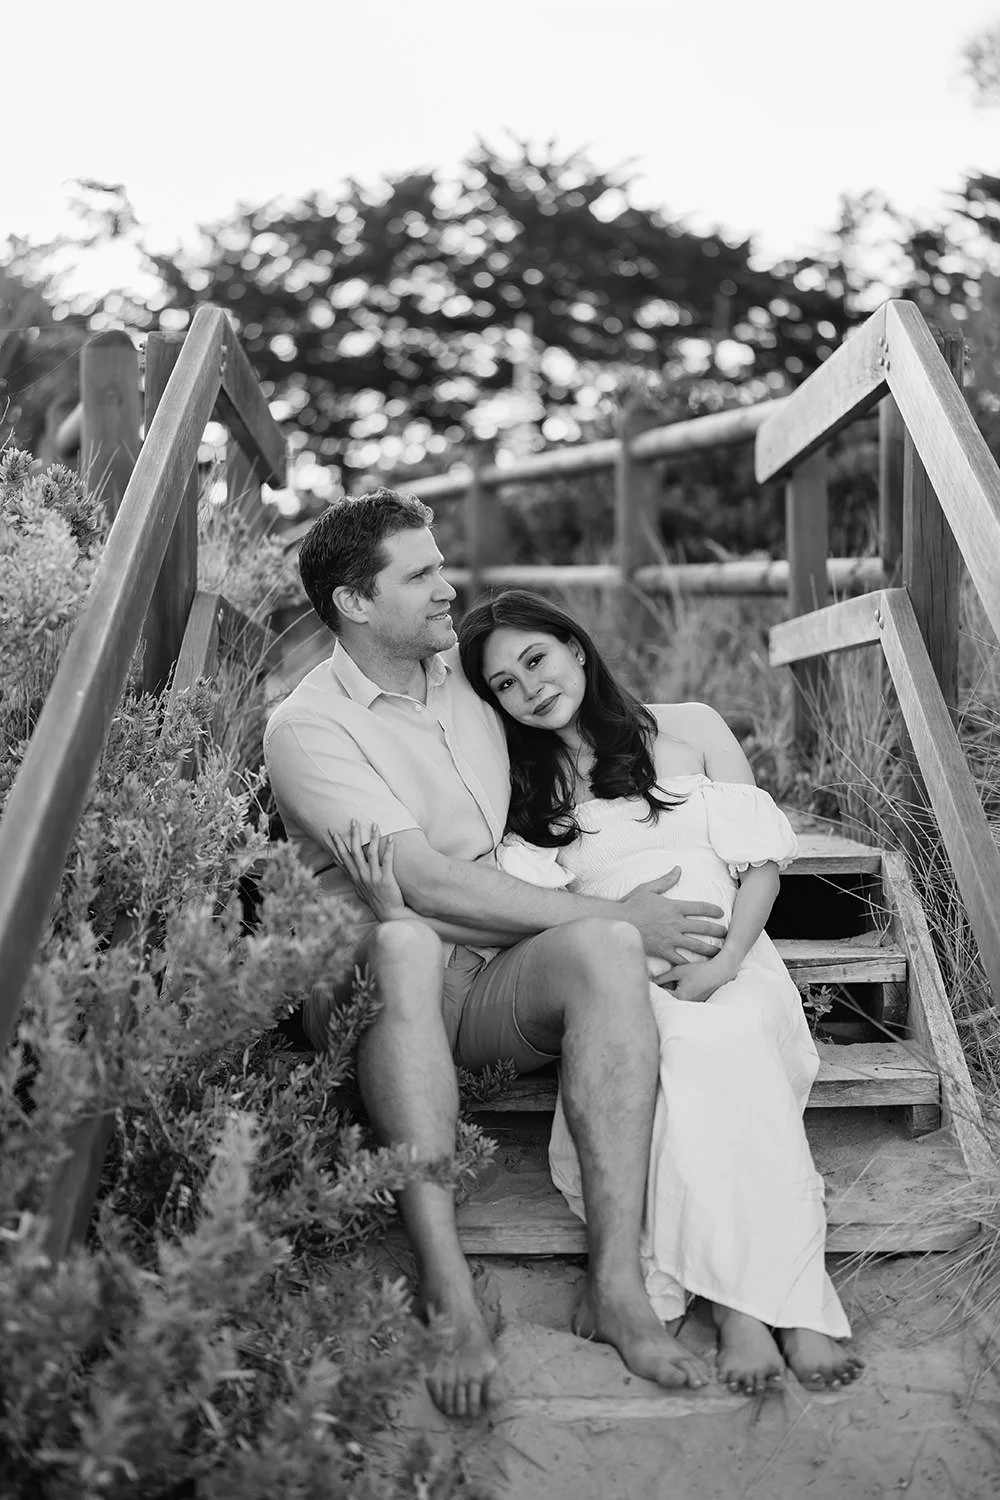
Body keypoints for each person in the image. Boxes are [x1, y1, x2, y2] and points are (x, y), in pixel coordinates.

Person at [263, 490, 731, 1419]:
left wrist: (697, 740)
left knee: (601, 948)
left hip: (491, 962)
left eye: (442, 565)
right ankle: (446, 1287)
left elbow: (570, 701)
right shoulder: (307, 727)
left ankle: (617, 1289)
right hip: (378, 976)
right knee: (400, 936)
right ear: (355, 604)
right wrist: (579, 910)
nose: (450, 587)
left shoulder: (468, 680)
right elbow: (422, 886)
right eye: (423, 573)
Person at [450, 588, 864, 1394]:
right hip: (625, 982)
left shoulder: (693, 727)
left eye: (535, 659)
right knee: (678, 1048)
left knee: (732, 1035)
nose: (529, 688)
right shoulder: (518, 788)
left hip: (734, 956)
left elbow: (761, 861)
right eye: (503, 684)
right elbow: (523, 912)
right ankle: (761, 1309)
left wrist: (726, 959)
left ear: (573, 645)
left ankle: (757, 1304)